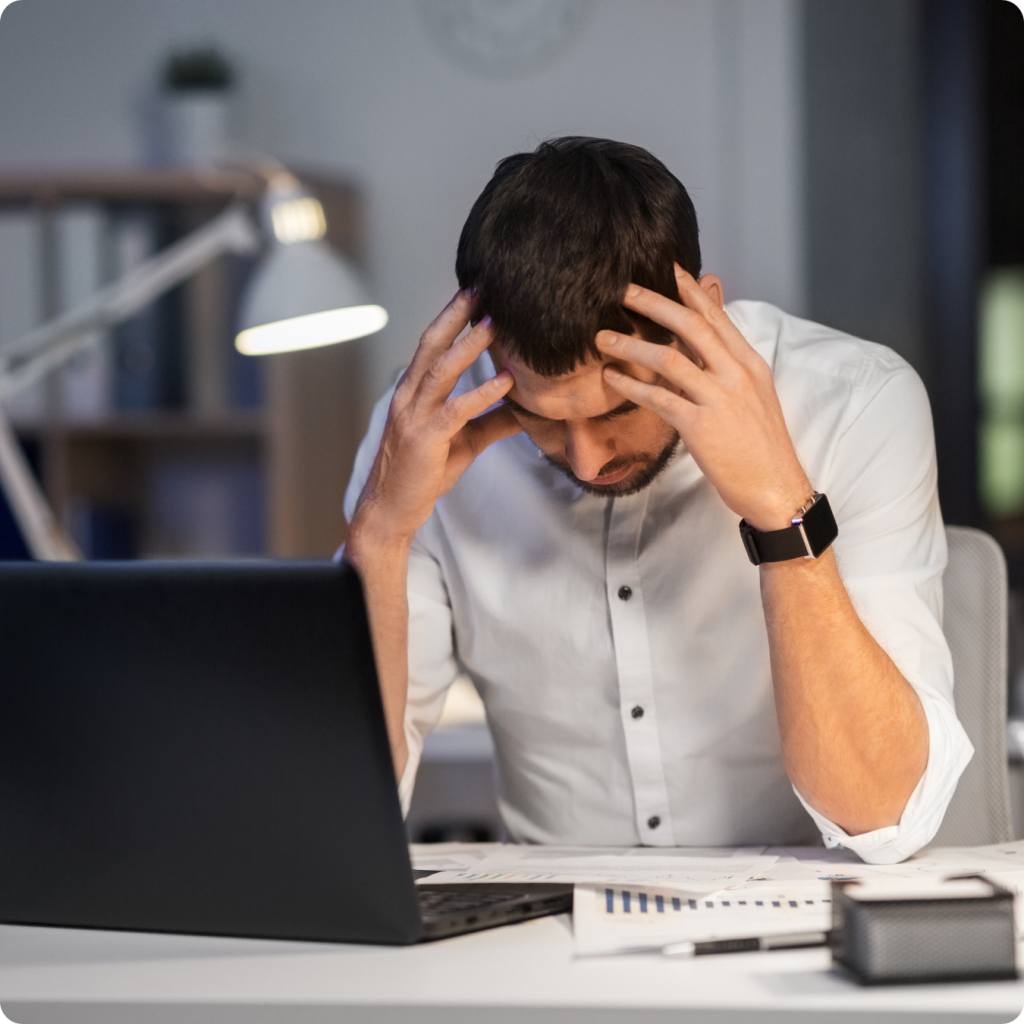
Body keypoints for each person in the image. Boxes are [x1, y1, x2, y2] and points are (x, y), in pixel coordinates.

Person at [342, 137, 972, 864]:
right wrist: (381, 534)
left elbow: (884, 813)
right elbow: (347, 805)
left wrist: (780, 507)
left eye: (617, 411)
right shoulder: (421, 435)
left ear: (701, 314)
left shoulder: (855, 404)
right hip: (546, 932)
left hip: (798, 923)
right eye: (540, 416)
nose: (585, 457)